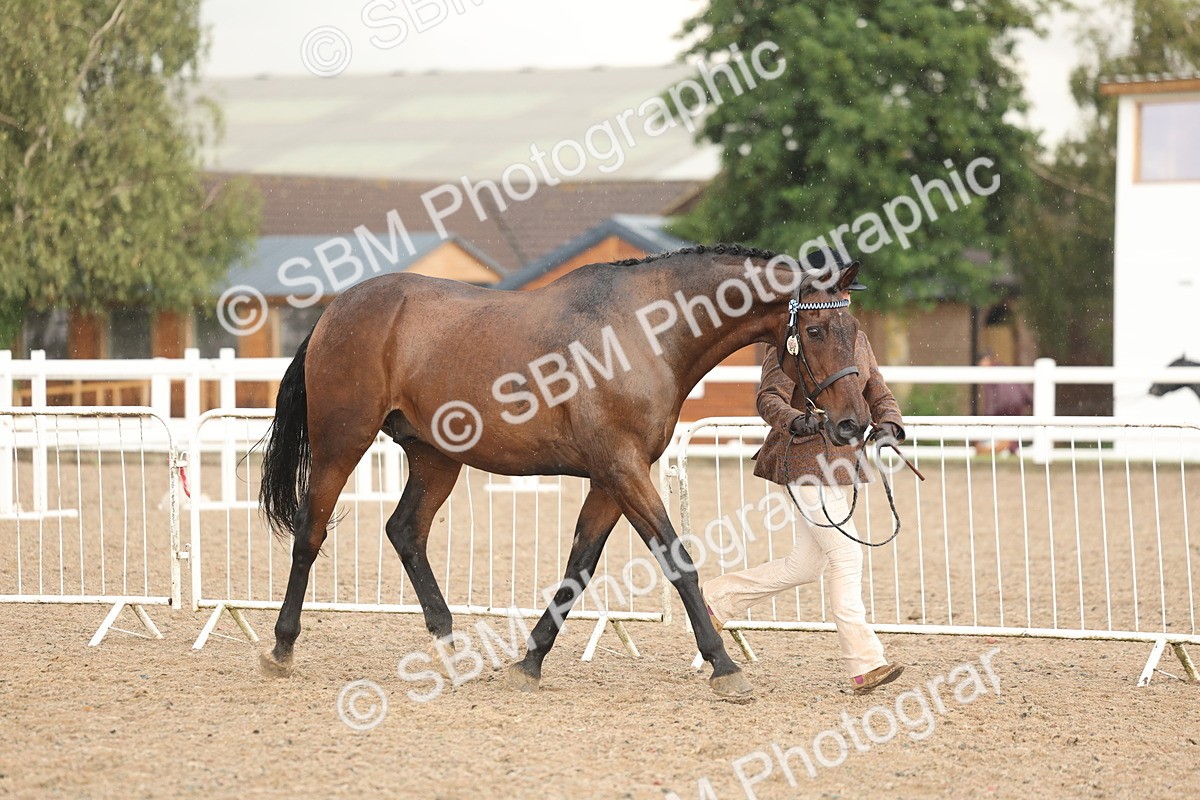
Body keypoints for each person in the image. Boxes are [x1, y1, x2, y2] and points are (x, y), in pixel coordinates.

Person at [701, 263, 906, 695]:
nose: (845, 303)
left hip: (842, 461)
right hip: (803, 459)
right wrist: (796, 421)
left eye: (847, 297)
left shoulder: (855, 339)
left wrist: (889, 423)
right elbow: (769, 397)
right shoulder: (791, 340)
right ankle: (865, 662)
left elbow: (878, 391)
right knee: (847, 557)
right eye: (837, 296)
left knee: (806, 565)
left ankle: (716, 600)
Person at [975, 352, 1033, 455]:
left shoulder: (989, 374)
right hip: (1017, 406)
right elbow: (1025, 391)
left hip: (1003, 407)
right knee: (1013, 431)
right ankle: (1012, 448)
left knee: (1004, 432)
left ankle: (1009, 447)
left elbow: (990, 401)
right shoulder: (1007, 369)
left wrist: (986, 420)